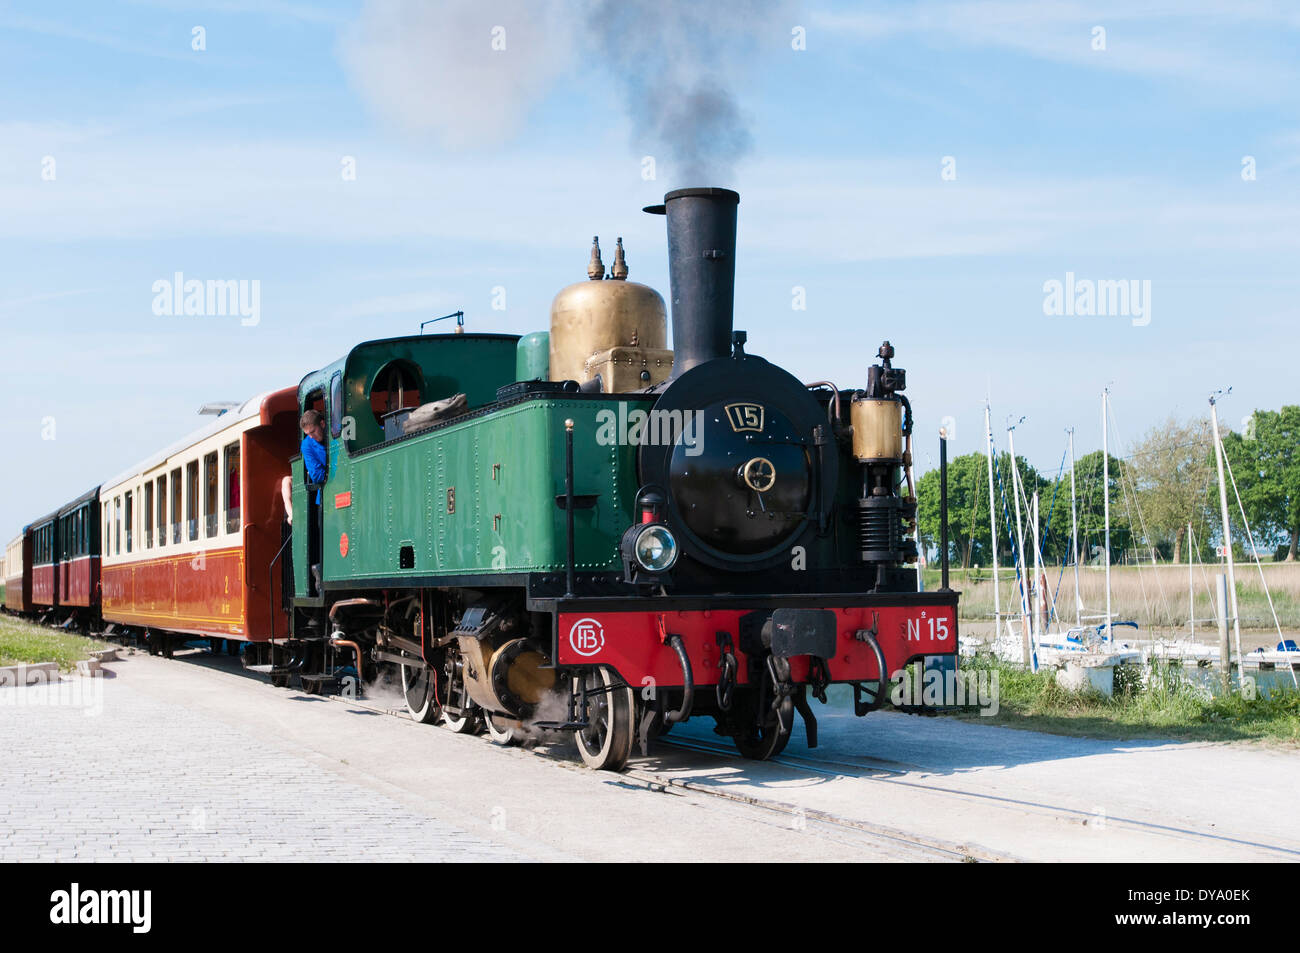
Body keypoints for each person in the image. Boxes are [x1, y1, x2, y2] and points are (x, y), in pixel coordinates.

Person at [300, 409, 328, 503]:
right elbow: (316, 475)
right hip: (325, 495)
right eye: (308, 434)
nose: (311, 436)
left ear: (322, 424)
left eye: (313, 431)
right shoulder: (306, 444)